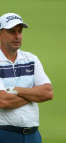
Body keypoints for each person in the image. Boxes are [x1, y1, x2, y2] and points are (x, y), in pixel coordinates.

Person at [0, 13, 53, 143]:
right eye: (12, 31)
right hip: (5, 135)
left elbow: (47, 92)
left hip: (33, 136)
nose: (17, 36)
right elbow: (3, 101)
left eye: (20, 31)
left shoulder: (31, 59)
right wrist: (33, 94)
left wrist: (16, 90)